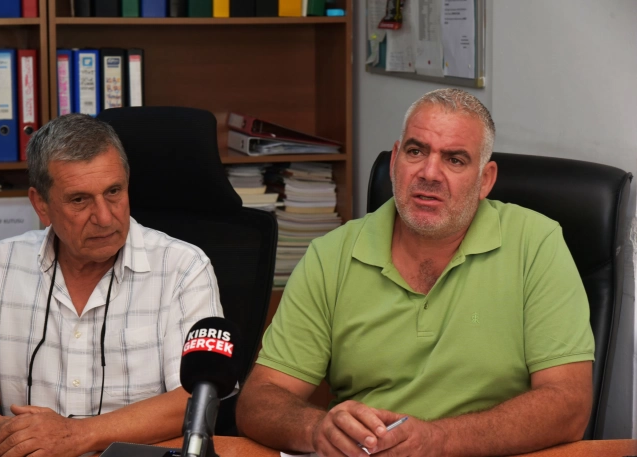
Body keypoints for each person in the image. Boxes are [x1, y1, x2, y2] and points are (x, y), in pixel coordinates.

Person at [236, 88, 594, 457]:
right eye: (416, 151)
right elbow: (260, 399)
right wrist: (316, 429)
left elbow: (569, 404)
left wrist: (439, 440)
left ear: (485, 180)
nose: (429, 173)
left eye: (454, 160)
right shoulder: (331, 256)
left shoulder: (536, 244)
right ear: (395, 161)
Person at [0, 114, 223, 456]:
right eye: (79, 200)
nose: (105, 217)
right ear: (41, 205)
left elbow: (195, 399)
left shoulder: (183, 268)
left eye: (114, 192)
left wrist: (77, 435)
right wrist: (2, 432)